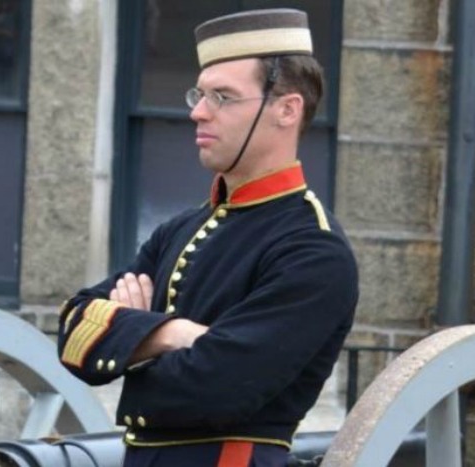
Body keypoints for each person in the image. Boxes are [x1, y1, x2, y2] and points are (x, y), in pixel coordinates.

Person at [57, 8, 358, 467]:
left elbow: (218, 387)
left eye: (223, 96)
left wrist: (128, 341)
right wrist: (173, 334)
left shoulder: (313, 248)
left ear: (287, 109)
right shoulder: (180, 228)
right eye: (200, 94)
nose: (198, 111)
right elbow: (73, 330)